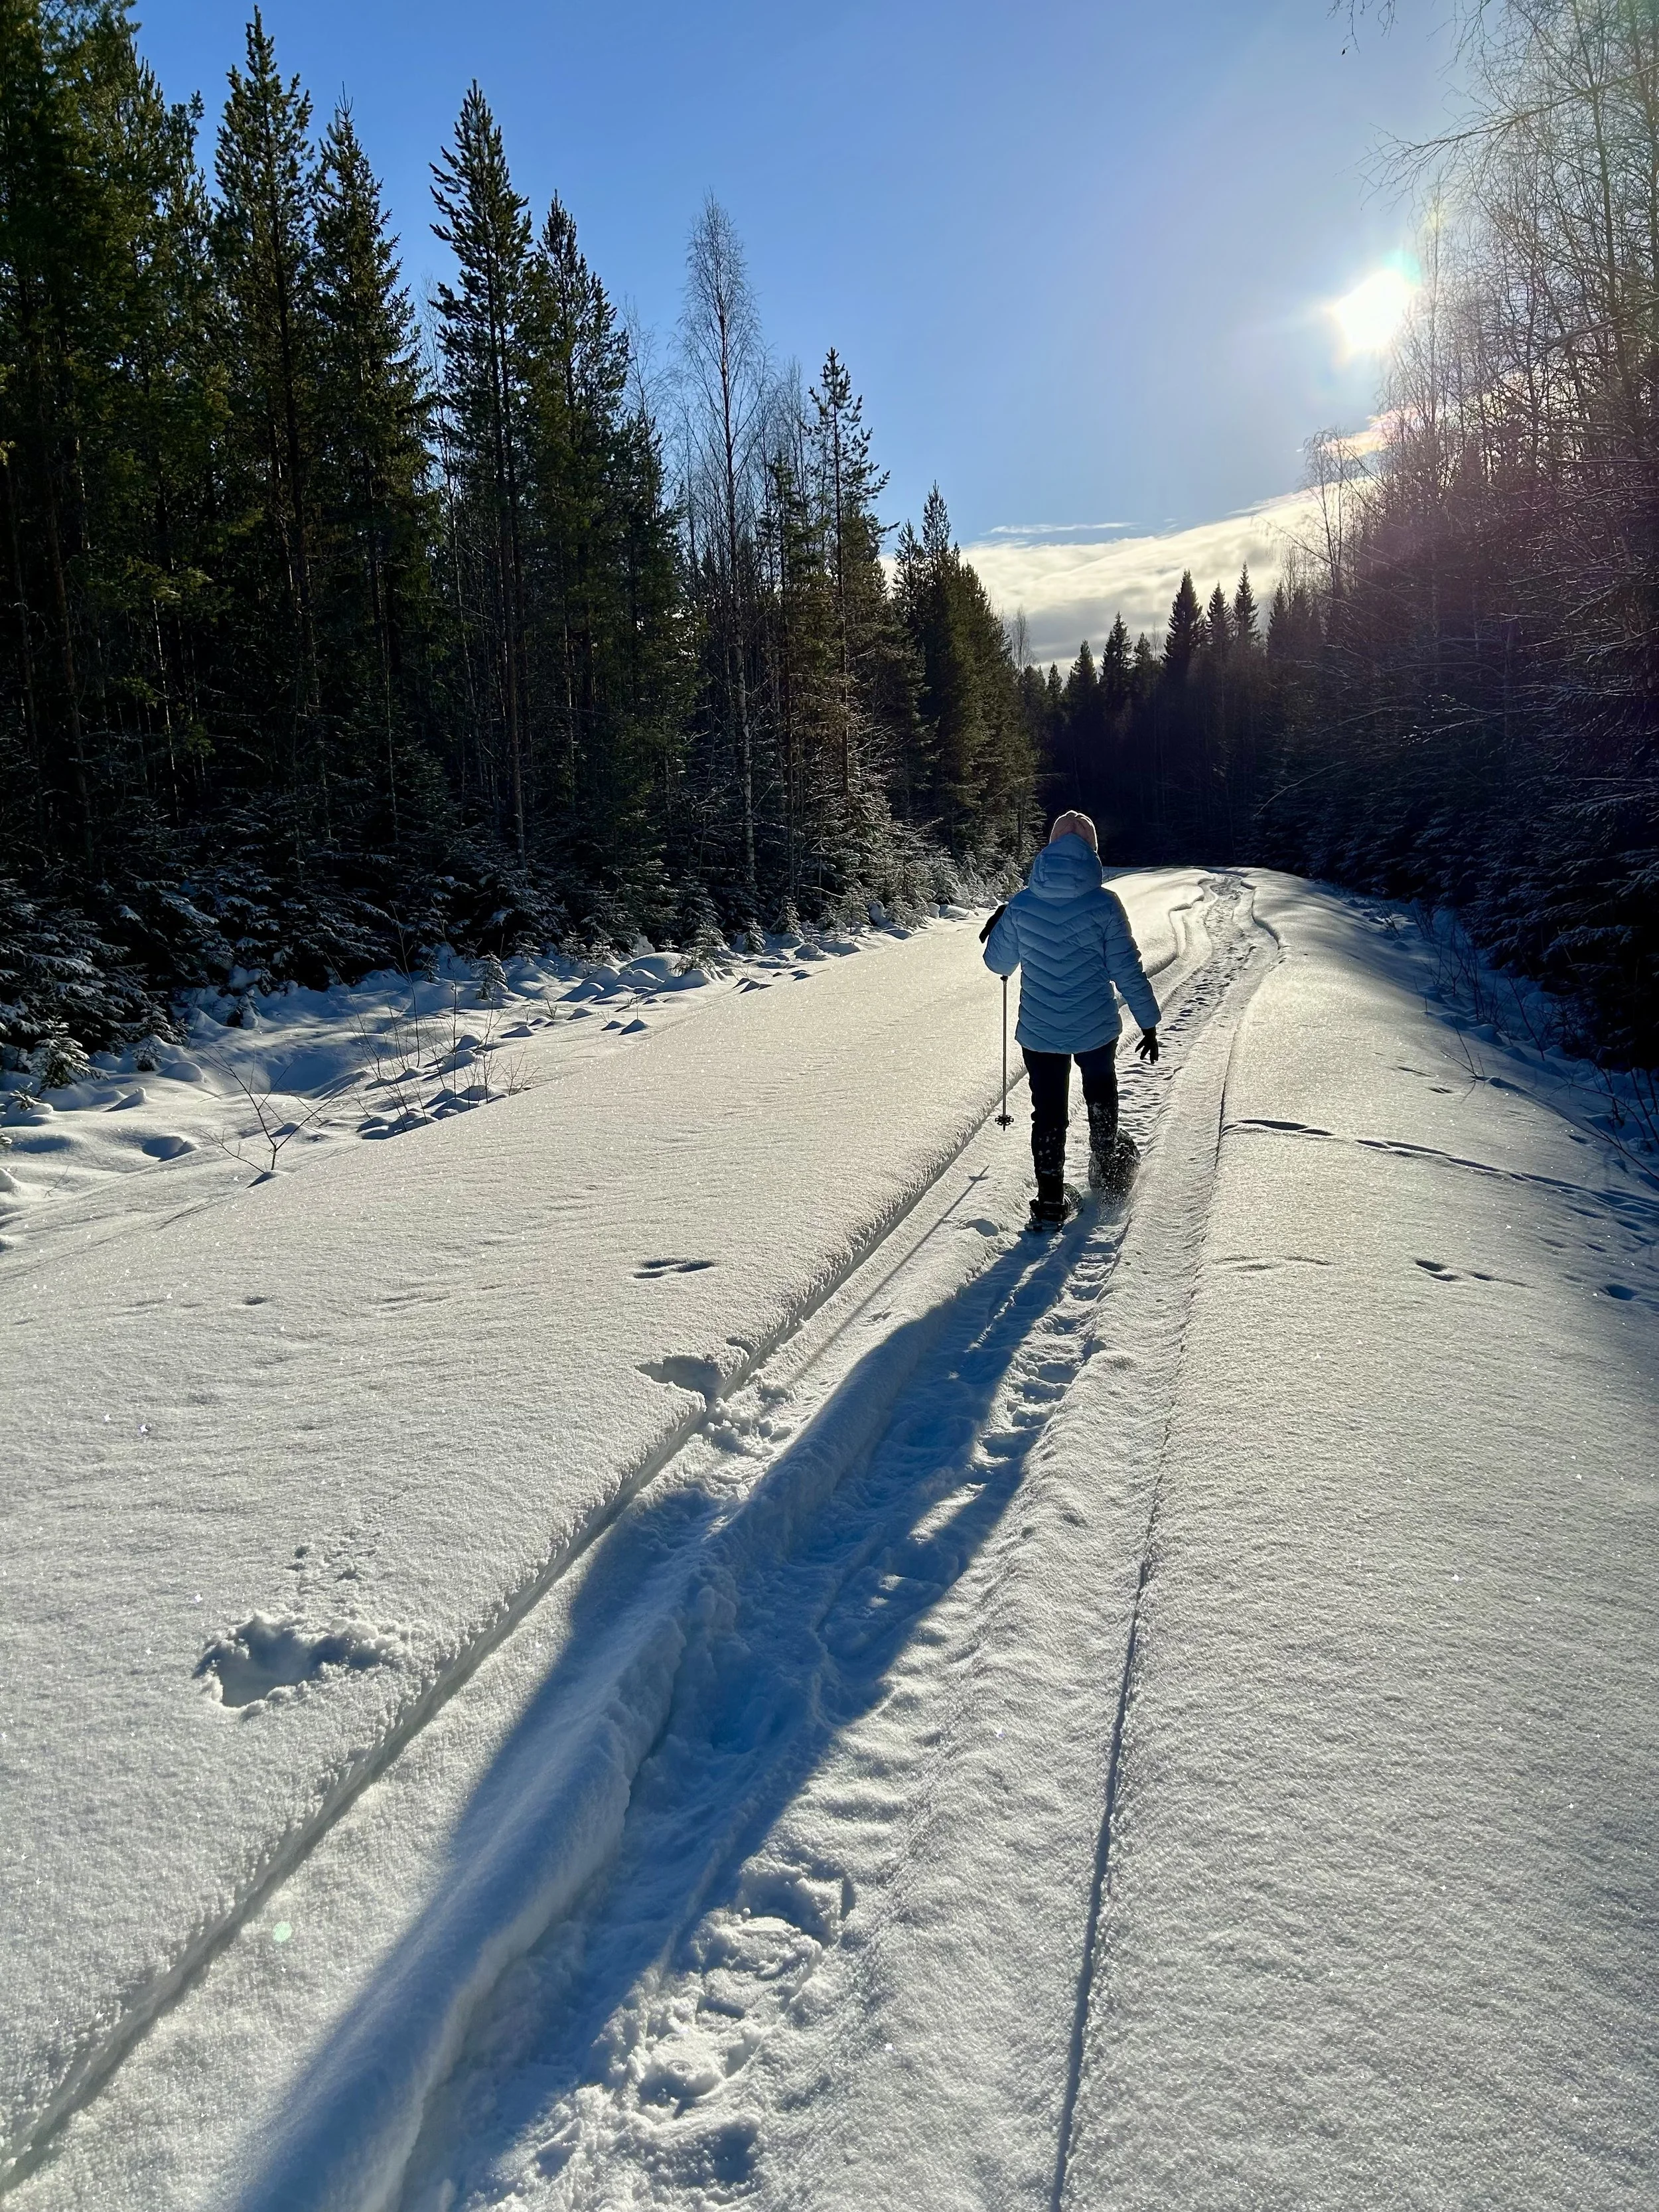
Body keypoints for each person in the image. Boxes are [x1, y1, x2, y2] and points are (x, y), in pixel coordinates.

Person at [981, 809, 1160, 1228]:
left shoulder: (1022, 904)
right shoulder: (1105, 904)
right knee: (1100, 1092)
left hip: (1041, 1031)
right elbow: (1127, 969)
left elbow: (998, 964)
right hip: (1095, 1027)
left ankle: (1049, 1202)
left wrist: (1003, 920)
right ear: (1092, 853)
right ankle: (1107, 1170)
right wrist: (1148, 1022)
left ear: (1049, 850)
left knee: (1048, 1113)